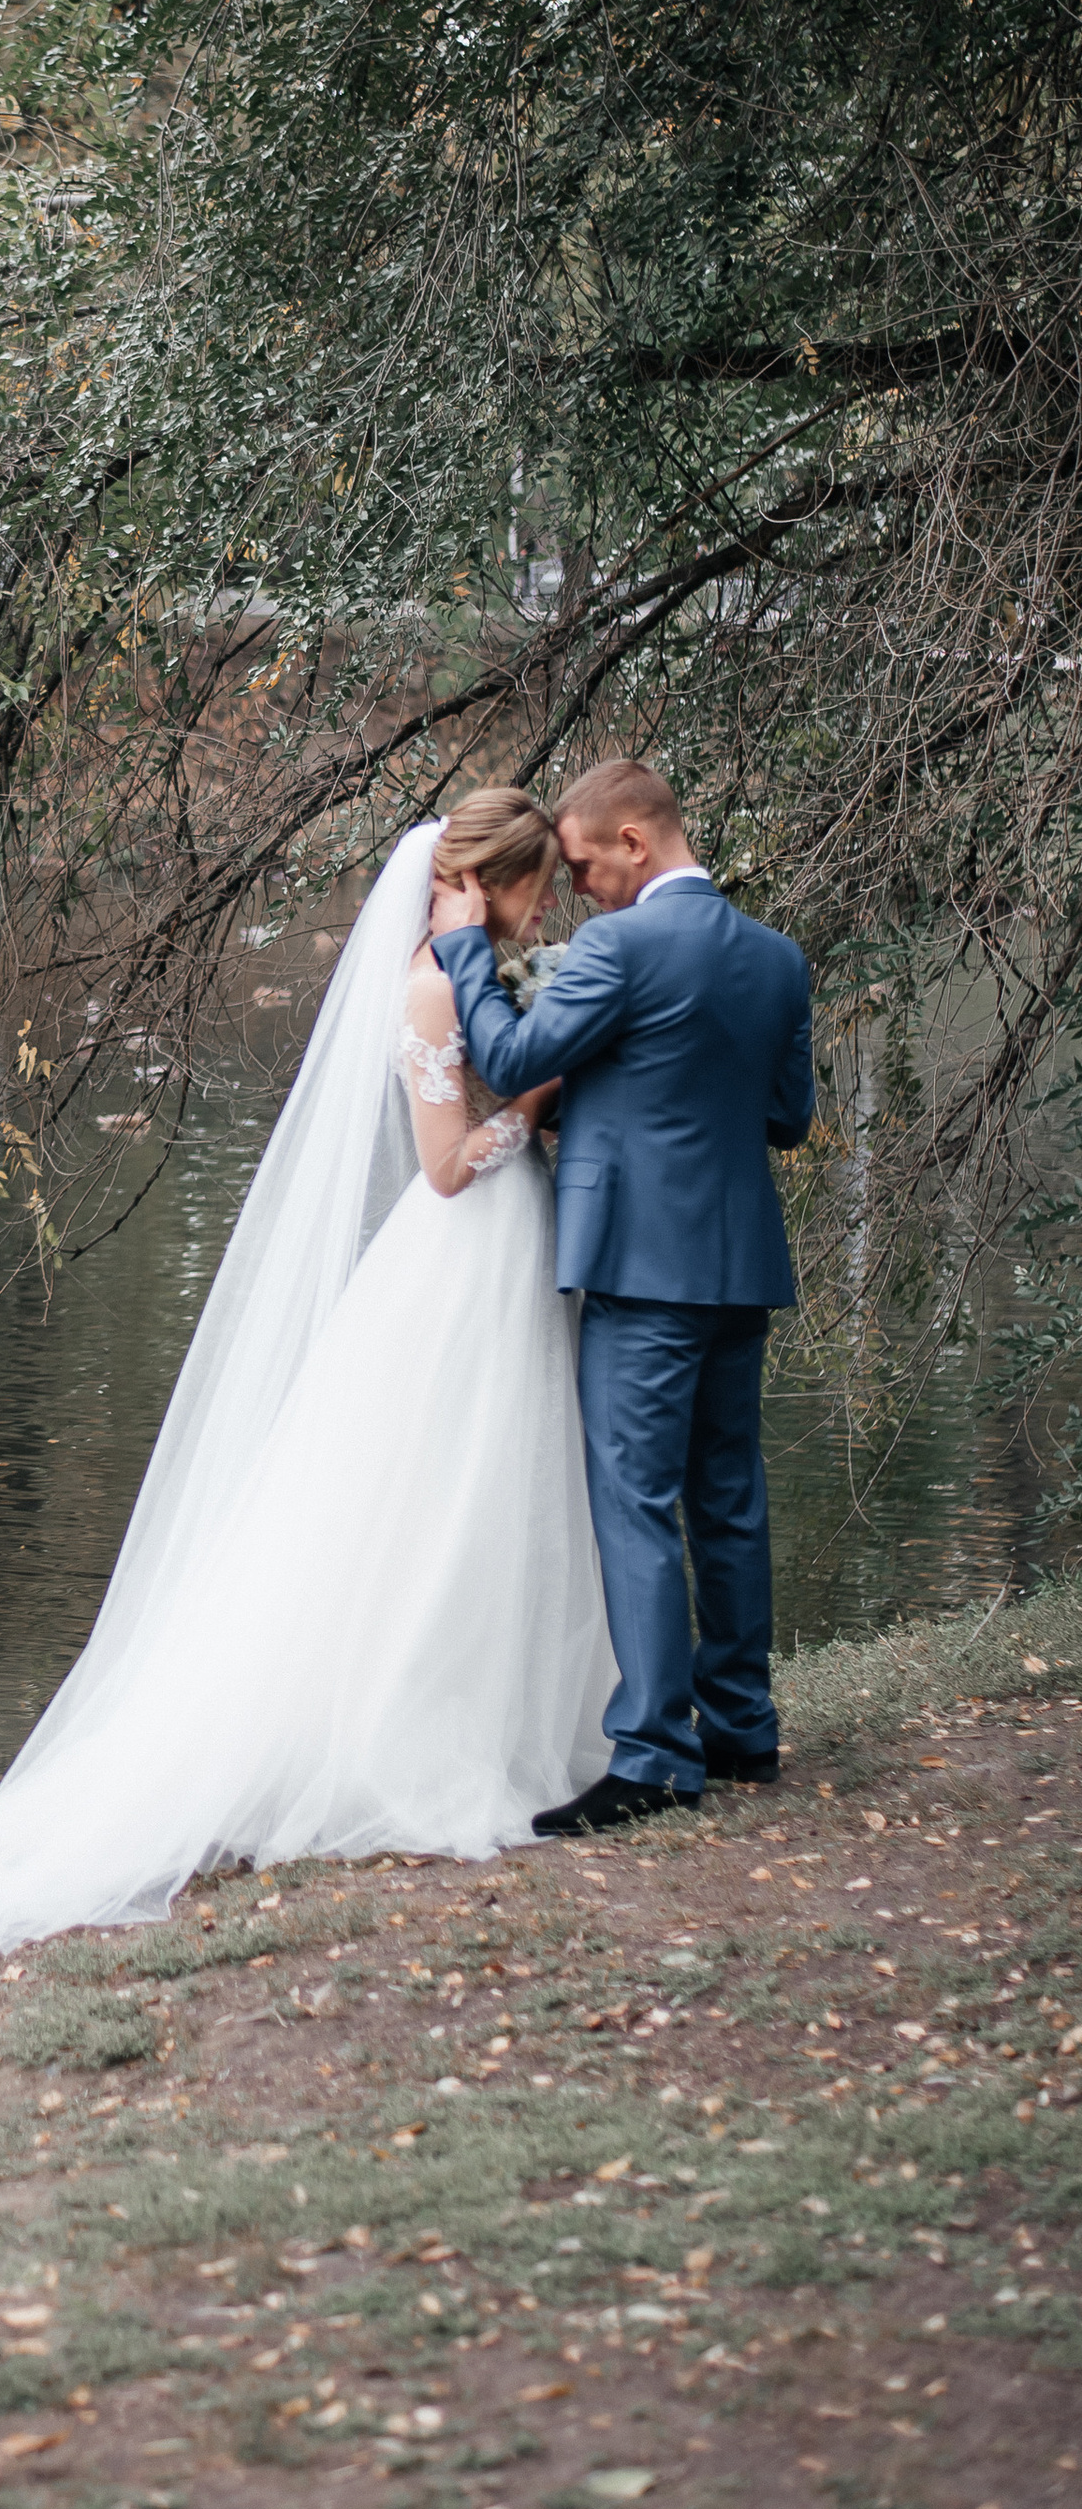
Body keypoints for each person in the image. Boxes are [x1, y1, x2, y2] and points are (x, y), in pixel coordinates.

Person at [0, 794, 614, 1950]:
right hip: (462, 1249)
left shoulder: (472, 970)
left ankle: (505, 1716)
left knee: (486, 1487)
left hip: (502, 1255)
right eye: (534, 884)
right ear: (485, 880)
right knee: (438, 1488)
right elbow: (449, 1166)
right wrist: (545, 1096)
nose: (547, 904)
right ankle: (401, 1732)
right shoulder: (425, 984)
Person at [432, 757, 814, 1834]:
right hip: (738, 1266)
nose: (580, 886)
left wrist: (464, 946)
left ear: (636, 845)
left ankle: (651, 1750)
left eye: (589, 864)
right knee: (727, 1497)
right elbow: (783, 1118)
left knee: (636, 1499)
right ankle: (742, 1729)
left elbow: (508, 1058)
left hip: (641, 1268)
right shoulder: (777, 959)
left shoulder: (619, 945)